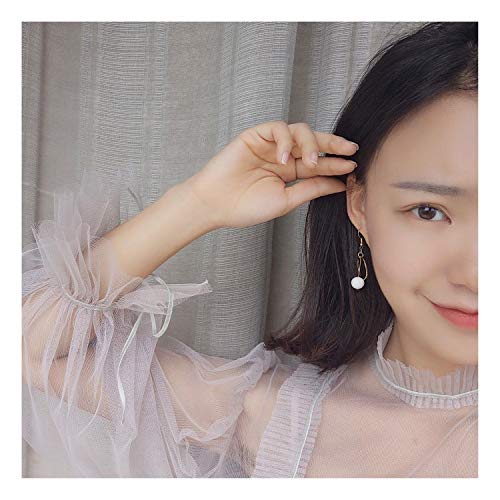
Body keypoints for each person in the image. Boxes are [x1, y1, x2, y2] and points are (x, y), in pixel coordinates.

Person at [22, 21, 478, 478]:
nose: (476, 275)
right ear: (359, 206)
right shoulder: (283, 421)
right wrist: (199, 203)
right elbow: (29, 348)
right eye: (428, 211)